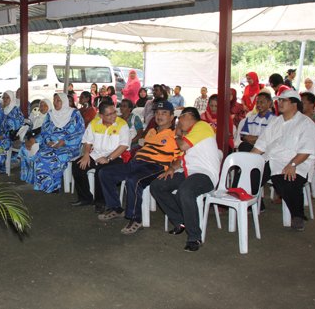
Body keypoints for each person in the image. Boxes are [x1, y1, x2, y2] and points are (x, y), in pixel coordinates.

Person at [98, 101, 180, 234]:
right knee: (105, 173)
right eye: (157, 113)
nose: (159, 116)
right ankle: (116, 209)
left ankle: (136, 219)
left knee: (133, 180)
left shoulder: (175, 135)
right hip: (137, 162)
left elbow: (179, 158)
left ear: (171, 117)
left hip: (155, 166)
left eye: (164, 113)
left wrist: (172, 168)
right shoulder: (152, 131)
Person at [150, 107, 221, 252]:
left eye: (179, 118)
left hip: (205, 174)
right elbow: (183, 159)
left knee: (185, 191)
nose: (178, 122)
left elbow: (182, 146)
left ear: (188, 116)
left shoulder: (202, 126)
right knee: (157, 185)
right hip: (189, 172)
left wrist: (177, 135)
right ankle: (180, 221)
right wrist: (171, 169)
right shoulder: (191, 133)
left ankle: (194, 237)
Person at [251, 90, 315, 231]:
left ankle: (297, 215)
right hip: (271, 159)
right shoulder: (276, 122)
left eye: (283, 100)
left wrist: (292, 164)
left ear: (294, 104)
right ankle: (254, 204)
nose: (279, 103)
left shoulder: (306, 124)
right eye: (279, 100)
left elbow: (306, 150)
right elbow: (261, 144)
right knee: (249, 173)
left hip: (295, 162)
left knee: (285, 180)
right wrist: (248, 161)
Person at [71, 101, 130, 212]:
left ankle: (100, 202)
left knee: (101, 170)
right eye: (109, 114)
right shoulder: (94, 123)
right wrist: (86, 154)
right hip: (96, 154)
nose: (114, 116)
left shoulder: (122, 124)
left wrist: (108, 158)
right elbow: (87, 141)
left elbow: (123, 145)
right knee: (77, 165)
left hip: (116, 156)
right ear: (101, 116)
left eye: (114, 112)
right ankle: (85, 198)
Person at [20, 94, 84, 193]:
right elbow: (44, 132)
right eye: (54, 100)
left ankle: (54, 186)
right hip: (51, 144)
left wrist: (64, 142)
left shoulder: (74, 114)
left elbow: (79, 132)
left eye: (58, 100)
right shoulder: (50, 114)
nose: (55, 103)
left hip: (69, 146)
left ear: (64, 102)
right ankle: (44, 184)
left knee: (54, 156)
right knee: (40, 154)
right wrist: (47, 141)